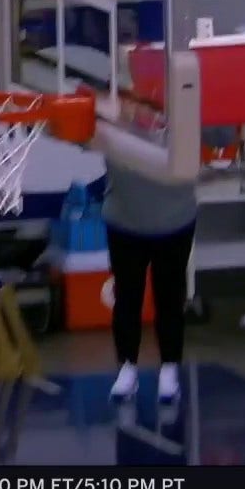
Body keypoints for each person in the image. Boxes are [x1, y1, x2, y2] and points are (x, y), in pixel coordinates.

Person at [99, 128, 199, 403]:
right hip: (125, 221)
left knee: (170, 299)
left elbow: (221, 135)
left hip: (174, 221)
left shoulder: (184, 106)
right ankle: (127, 369)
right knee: (127, 299)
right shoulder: (114, 107)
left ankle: (169, 371)